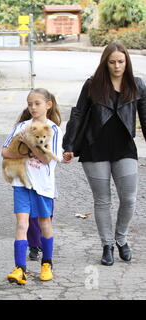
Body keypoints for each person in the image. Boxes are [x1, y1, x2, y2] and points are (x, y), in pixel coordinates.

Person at [63, 41, 146, 266]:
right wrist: (69, 145)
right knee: (103, 201)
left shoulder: (137, 84)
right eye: (112, 62)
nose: (117, 66)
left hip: (125, 149)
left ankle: (121, 239)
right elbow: (78, 114)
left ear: (127, 61)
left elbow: (145, 117)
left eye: (121, 61)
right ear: (105, 63)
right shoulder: (92, 85)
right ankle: (107, 245)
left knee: (128, 199)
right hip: (94, 148)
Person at [2, 89, 62, 285]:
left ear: (48, 105)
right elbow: (5, 151)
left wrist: (29, 143)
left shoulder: (53, 129)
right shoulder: (21, 126)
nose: (33, 107)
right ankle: (20, 269)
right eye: (30, 104)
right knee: (21, 224)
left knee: (45, 223)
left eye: (37, 103)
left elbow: (46, 159)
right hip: (22, 183)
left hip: (43, 185)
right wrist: (26, 153)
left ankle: (47, 263)